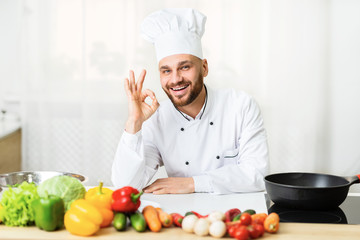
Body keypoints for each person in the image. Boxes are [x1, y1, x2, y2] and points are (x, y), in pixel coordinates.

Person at [112, 8, 269, 194]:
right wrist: (134, 123)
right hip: (181, 218)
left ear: (204, 68)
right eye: (166, 70)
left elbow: (257, 175)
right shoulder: (156, 119)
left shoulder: (240, 106)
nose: (175, 79)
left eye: (184, 67)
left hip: (234, 216)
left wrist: (192, 184)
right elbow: (125, 187)